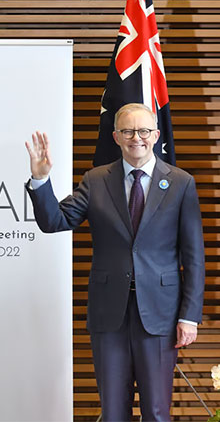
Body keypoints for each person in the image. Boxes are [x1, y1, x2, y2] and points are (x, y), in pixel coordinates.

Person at [24, 103, 205, 421]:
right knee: (113, 411)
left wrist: (189, 317)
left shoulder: (180, 183)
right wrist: (41, 180)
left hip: (160, 315)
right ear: (116, 137)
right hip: (109, 314)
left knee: (157, 410)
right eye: (128, 131)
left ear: (156, 135)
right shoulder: (96, 181)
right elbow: (55, 221)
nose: (137, 137)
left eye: (144, 130)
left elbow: (193, 257)